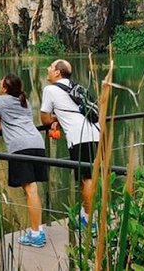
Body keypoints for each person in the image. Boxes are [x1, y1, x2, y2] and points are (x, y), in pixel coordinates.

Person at [40, 59, 100, 231]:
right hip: (96, 133)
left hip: (80, 137)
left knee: (87, 178)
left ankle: (90, 222)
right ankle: (86, 215)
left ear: (58, 72)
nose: (48, 69)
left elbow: (44, 119)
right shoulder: (77, 87)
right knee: (87, 177)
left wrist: (54, 119)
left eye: (51, 67)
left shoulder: (50, 90)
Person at [0, 73, 48, 248]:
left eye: (1, 82)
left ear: (5, 88)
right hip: (37, 142)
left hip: (20, 146)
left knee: (30, 189)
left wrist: (4, 124)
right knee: (33, 189)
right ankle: (36, 230)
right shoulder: (25, 101)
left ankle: (36, 234)